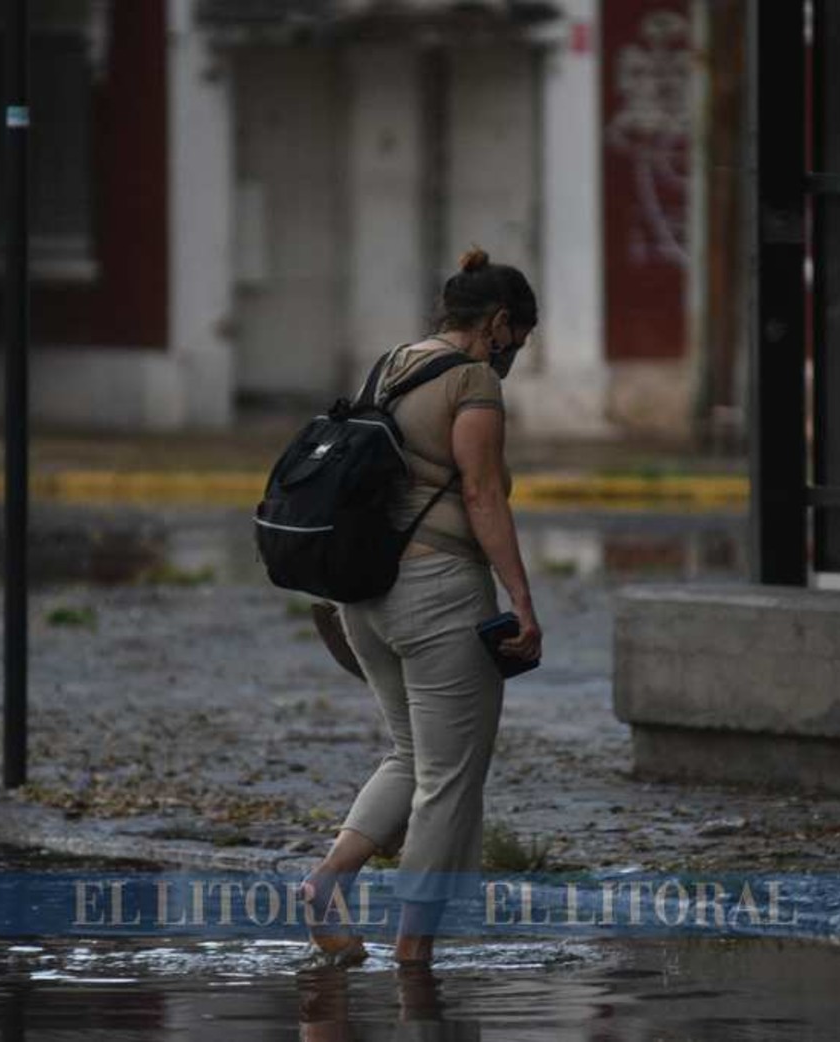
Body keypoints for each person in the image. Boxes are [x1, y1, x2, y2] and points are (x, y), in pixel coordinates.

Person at [299, 247, 543, 968]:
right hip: (436, 595)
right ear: (498, 324)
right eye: (518, 344)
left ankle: (326, 884)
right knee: (449, 775)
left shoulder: (393, 363)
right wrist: (522, 601)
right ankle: (414, 952)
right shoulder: (471, 382)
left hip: (364, 596)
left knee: (413, 756)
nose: (513, 359)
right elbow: (482, 496)